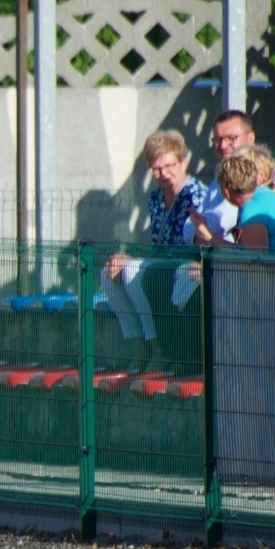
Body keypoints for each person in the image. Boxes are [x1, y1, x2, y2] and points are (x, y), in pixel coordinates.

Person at [100, 130, 206, 369]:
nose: (164, 174)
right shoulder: (157, 196)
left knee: (132, 272)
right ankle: (136, 343)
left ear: (183, 161)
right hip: (163, 260)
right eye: (156, 169)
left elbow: (192, 243)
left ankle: (156, 346)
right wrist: (124, 257)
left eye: (169, 166)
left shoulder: (196, 195)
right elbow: (157, 244)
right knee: (109, 272)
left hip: (186, 262)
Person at [184, 110, 275, 245]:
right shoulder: (220, 177)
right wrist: (198, 231)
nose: (223, 146)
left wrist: (202, 231)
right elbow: (189, 226)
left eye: (231, 138)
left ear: (250, 138)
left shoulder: (260, 173)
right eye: (217, 139)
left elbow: (221, 221)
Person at [191, 152, 275, 254]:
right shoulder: (267, 195)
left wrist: (210, 238)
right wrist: (210, 237)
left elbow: (255, 262)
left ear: (226, 191)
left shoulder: (252, 211)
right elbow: (250, 251)